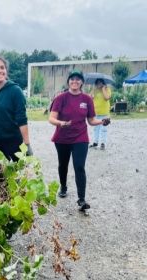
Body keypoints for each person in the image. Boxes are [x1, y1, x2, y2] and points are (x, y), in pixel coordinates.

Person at [48, 70, 110, 211]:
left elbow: (91, 120)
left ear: (82, 82)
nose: (74, 81)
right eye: (72, 79)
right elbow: (51, 118)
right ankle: (63, 187)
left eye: (77, 79)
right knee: (63, 165)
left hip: (80, 138)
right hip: (62, 138)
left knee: (79, 166)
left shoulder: (87, 99)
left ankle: (81, 200)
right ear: (68, 82)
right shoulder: (61, 98)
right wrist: (60, 123)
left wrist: (101, 122)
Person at [89, 78, 112, 150]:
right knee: (96, 128)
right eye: (97, 83)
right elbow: (89, 98)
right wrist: (91, 96)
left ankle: (103, 143)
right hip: (96, 112)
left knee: (104, 128)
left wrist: (103, 89)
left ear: (103, 83)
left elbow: (106, 97)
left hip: (105, 112)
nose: (99, 84)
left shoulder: (107, 89)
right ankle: (95, 142)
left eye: (100, 82)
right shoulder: (94, 90)